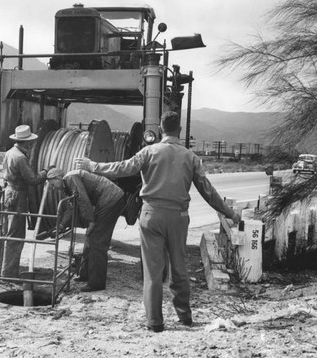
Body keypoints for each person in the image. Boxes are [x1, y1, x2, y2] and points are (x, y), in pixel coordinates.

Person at [75, 111, 241, 332]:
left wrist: (92, 165)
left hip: (151, 215)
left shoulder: (148, 152)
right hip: (178, 218)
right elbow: (208, 193)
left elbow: (122, 168)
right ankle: (184, 317)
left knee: (153, 272)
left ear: (161, 130)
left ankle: (155, 322)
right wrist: (231, 214)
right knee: (179, 268)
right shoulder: (190, 157)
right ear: (179, 131)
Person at [47, 167, 126, 292]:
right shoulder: (66, 185)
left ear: (58, 178)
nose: (53, 187)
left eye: (52, 184)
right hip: (106, 199)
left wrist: (90, 221)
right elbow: (71, 208)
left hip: (111, 199)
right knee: (90, 237)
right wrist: (61, 226)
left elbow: (83, 200)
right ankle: (85, 274)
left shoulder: (71, 178)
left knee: (97, 241)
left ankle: (96, 283)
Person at [1, 125, 49, 279]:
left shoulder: (9, 153)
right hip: (17, 196)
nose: (32, 144)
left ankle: (2, 269)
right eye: (31, 142)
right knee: (15, 236)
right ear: (27, 143)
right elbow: (32, 179)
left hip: (8, 193)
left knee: (6, 233)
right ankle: (9, 273)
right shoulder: (20, 158)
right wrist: (46, 172)